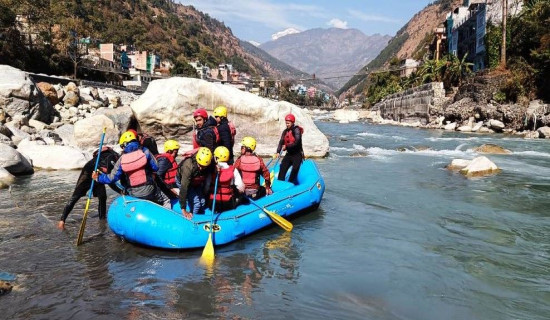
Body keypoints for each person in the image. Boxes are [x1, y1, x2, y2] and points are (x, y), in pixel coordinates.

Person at [92, 131, 170, 208]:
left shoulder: (121, 159)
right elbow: (156, 167)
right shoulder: (145, 151)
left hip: (134, 193)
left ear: (124, 145)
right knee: (166, 200)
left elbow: (112, 178)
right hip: (150, 190)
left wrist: (97, 178)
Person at [57, 147, 121, 230]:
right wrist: (121, 191)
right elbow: (111, 181)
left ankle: (102, 219)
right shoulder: (112, 161)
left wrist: (121, 190)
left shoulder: (115, 157)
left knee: (102, 197)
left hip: (98, 174)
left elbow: (110, 179)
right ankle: (62, 221)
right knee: (76, 196)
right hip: (87, 173)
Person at [177, 147, 213, 220]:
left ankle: (200, 218)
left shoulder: (209, 164)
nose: (200, 168)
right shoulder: (188, 166)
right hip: (184, 182)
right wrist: (183, 208)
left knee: (202, 202)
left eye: (203, 166)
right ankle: (193, 220)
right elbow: (184, 187)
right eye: (199, 165)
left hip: (196, 182)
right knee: (196, 203)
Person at [210, 146, 245, 212]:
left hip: (212, 203)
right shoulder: (233, 170)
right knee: (241, 197)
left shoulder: (211, 169)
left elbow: (206, 187)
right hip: (228, 203)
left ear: (216, 157)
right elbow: (241, 188)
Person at [275, 114, 304, 184]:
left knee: (295, 169)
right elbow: (281, 141)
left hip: (297, 154)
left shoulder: (296, 130)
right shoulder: (285, 131)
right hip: (289, 154)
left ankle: (291, 184)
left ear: (292, 122)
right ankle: (280, 184)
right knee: (282, 168)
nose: (287, 124)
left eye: (288, 123)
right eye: (286, 123)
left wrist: (287, 146)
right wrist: (278, 151)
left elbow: (297, 142)